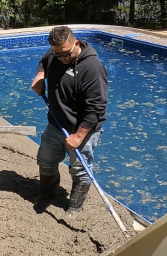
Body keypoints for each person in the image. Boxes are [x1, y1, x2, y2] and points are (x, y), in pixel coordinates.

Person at [29, 25, 108, 216]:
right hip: (56, 123)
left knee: (80, 170)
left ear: (77, 44)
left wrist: (79, 136)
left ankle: (74, 207)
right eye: (57, 55)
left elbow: (96, 107)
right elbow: (44, 60)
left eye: (66, 54)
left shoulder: (92, 68)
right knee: (45, 161)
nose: (61, 58)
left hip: (83, 129)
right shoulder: (55, 53)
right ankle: (48, 195)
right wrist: (41, 77)